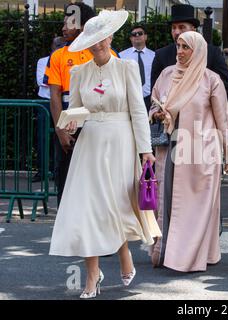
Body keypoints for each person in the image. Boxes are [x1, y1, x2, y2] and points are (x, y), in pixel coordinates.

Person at [49, 10, 160, 299]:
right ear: (86, 44)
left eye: (102, 39)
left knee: (115, 207)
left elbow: (138, 111)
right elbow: (76, 111)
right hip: (90, 146)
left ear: (110, 37)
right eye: (92, 41)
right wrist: (69, 124)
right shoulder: (78, 72)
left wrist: (145, 150)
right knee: (87, 209)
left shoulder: (126, 68)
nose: (97, 45)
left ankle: (124, 253)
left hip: (121, 142)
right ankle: (92, 275)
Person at [150, 31, 228, 272]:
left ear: (198, 51)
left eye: (186, 47)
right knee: (166, 202)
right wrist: (156, 113)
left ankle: (188, 257)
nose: (179, 51)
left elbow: (224, 120)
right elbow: (153, 103)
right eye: (178, 46)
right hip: (169, 151)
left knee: (195, 208)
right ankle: (165, 250)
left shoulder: (211, 80)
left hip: (201, 154)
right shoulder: (167, 75)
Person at [44, 2, 118, 206]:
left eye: (67, 22)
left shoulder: (108, 54)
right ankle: (65, 228)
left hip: (99, 121)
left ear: (82, 25)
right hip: (70, 120)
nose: (63, 28)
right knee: (66, 176)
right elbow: (55, 95)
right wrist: (61, 129)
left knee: (99, 176)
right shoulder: (58, 56)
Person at [150, 4, 228, 127]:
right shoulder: (162, 55)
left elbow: (226, 92)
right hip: (170, 128)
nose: (177, 32)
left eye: (182, 27)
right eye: (174, 28)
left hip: (204, 127)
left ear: (193, 29)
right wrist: (156, 113)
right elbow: (155, 95)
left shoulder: (212, 53)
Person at [34, 36, 64, 183]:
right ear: (52, 46)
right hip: (45, 102)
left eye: (61, 45)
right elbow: (42, 81)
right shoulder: (43, 61)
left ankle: (57, 170)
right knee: (43, 137)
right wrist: (59, 81)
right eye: (57, 44)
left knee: (61, 136)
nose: (59, 46)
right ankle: (42, 170)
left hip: (61, 101)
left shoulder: (65, 58)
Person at [119, 25, 155, 112]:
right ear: (131, 38)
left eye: (140, 33)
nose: (137, 36)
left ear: (145, 36)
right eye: (134, 34)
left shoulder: (154, 56)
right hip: (128, 97)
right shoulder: (121, 56)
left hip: (149, 98)